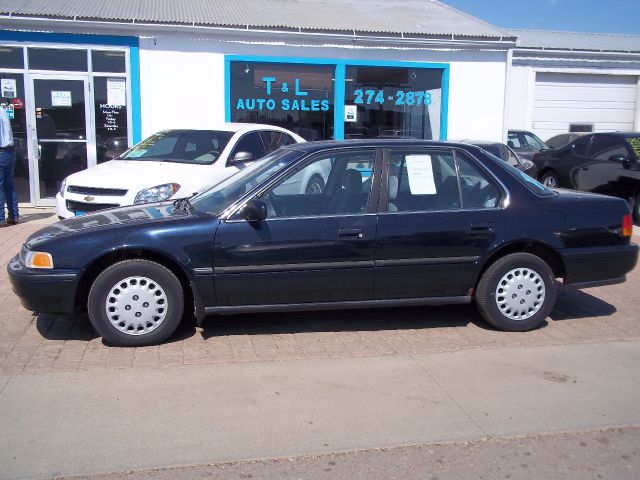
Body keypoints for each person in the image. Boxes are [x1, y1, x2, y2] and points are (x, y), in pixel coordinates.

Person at [0, 104, 19, 226]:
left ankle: (0, 217)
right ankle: (13, 215)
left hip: (1, 152)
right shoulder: (2, 110)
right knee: (9, 186)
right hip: (9, 152)